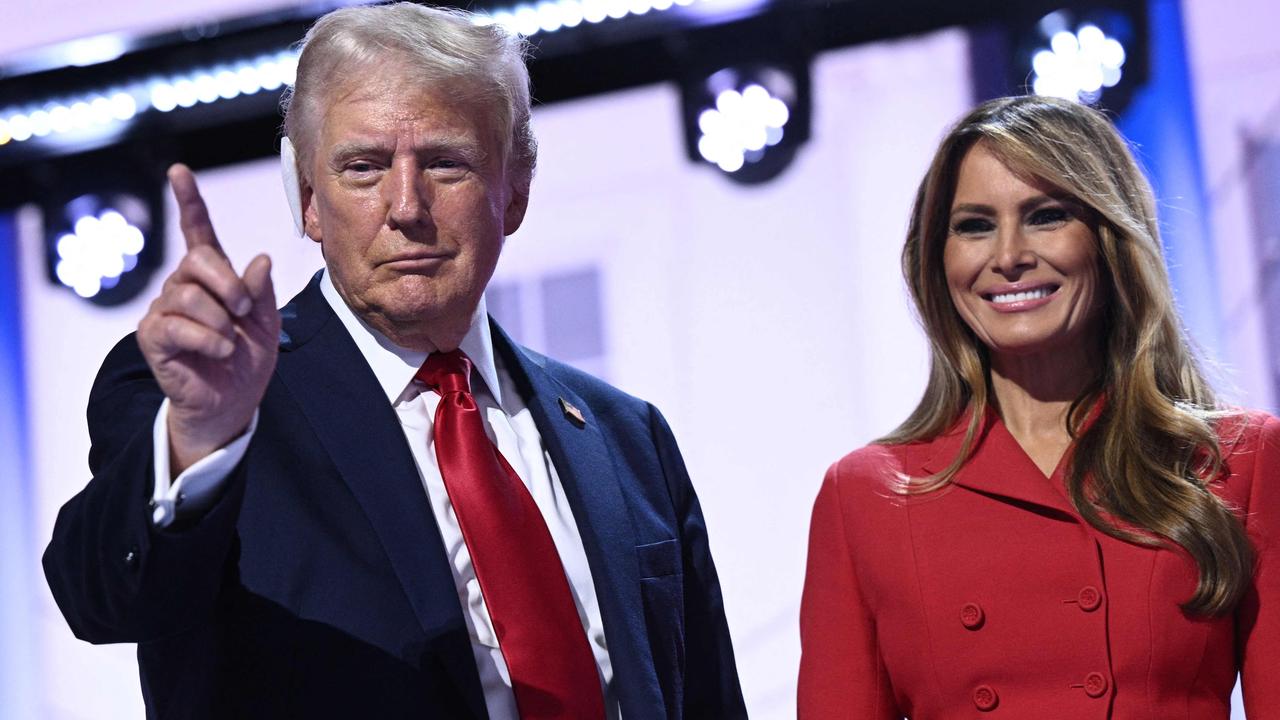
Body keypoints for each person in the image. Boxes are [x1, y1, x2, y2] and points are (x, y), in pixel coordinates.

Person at [42, 4, 746, 719]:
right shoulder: (208, 405)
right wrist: (198, 437)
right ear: (309, 202)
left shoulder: (628, 439)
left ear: (516, 191)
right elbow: (103, 599)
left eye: (446, 163)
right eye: (363, 167)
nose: (406, 206)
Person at [798, 95, 1280, 719]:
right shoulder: (867, 495)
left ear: (1111, 239)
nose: (1008, 256)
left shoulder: (1235, 459)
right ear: (936, 260)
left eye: (1046, 216)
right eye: (974, 225)